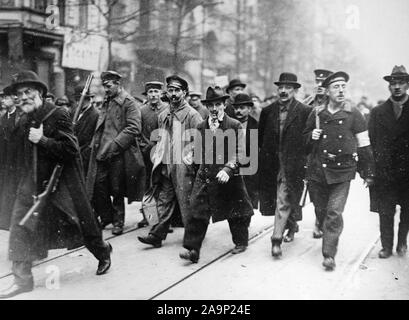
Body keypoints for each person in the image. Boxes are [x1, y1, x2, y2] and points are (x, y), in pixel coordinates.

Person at [0, 70, 112, 299]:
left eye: (28, 91)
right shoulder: (22, 119)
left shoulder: (57, 114)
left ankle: (103, 252)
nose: (23, 97)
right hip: (30, 184)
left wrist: (42, 140)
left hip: (60, 184)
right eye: (19, 94)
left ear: (40, 92)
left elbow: (71, 150)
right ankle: (22, 280)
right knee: (19, 227)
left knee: (81, 225)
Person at [304, 71, 375, 270]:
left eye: (343, 86)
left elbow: (364, 144)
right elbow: (303, 143)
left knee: (334, 212)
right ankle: (321, 224)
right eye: (336, 86)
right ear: (326, 91)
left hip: (343, 172)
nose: (341, 90)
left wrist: (368, 172)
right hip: (317, 171)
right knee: (321, 210)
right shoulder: (316, 113)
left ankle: (329, 254)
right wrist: (312, 136)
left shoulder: (354, 114)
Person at [179, 87, 254, 263]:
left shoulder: (234, 125)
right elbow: (198, 149)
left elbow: (240, 152)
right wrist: (191, 155)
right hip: (205, 175)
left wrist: (228, 168)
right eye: (211, 105)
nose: (214, 109)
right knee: (197, 210)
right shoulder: (201, 126)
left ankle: (241, 241)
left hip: (229, 176)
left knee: (236, 211)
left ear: (224, 104)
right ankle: (192, 249)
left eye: (218, 104)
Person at [138, 75, 202, 248]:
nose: (173, 94)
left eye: (177, 91)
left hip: (184, 167)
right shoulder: (164, 114)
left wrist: (191, 163)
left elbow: (201, 142)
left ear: (185, 93)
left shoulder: (193, 115)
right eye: (171, 90)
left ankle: (192, 238)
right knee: (163, 200)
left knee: (186, 202)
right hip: (166, 164)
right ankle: (156, 235)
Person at [259, 72, 311, 258]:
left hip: (293, 164)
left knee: (283, 198)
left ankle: (276, 240)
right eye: (281, 87)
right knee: (279, 198)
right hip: (272, 163)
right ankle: (291, 224)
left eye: (288, 87)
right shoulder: (267, 111)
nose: (283, 91)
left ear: (295, 90)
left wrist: (305, 165)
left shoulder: (304, 111)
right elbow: (261, 138)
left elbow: (307, 142)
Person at [86, 70, 145, 235]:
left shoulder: (129, 102)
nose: (106, 89)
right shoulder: (107, 100)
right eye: (104, 86)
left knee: (117, 187)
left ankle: (118, 221)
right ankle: (107, 216)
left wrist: (115, 145)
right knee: (98, 184)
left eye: (108, 85)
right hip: (101, 149)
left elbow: (134, 127)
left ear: (118, 84)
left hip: (120, 151)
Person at [368, 65, 409, 259]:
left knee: (408, 211)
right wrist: (371, 170)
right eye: (394, 83)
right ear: (389, 87)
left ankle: (402, 242)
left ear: (407, 85)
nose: (397, 87)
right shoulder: (377, 112)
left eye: (401, 83)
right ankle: (386, 246)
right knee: (385, 211)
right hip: (385, 171)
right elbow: (371, 142)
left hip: (408, 172)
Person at [304, 69, 334, 239]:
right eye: (317, 81)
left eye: (323, 82)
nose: (320, 85)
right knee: (314, 193)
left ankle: (321, 221)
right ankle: (319, 217)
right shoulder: (307, 104)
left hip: (329, 154)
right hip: (310, 154)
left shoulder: (336, 104)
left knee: (329, 191)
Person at [138, 81, 168, 228]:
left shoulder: (168, 109)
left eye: (156, 91)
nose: (153, 95)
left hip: (164, 153)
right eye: (150, 92)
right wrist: (144, 146)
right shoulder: (142, 111)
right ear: (147, 94)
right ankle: (149, 218)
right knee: (148, 186)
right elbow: (137, 132)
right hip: (146, 153)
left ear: (161, 94)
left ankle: (163, 220)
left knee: (163, 186)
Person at [231, 93, 259, 209]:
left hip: (249, 168)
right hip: (232, 165)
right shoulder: (229, 124)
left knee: (248, 196)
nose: (238, 111)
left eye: (242, 108)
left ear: (249, 109)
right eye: (236, 108)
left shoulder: (256, 126)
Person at [0, 86, 22, 230]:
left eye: (5, 97)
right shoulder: (3, 118)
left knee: (12, 191)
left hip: (16, 162)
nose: (2, 100)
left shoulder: (19, 118)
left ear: (14, 99)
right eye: (2, 98)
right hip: (4, 162)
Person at [72, 84, 99, 175]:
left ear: (88, 99)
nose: (78, 102)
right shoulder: (74, 112)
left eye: (81, 99)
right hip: (73, 155)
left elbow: (92, 140)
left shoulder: (95, 115)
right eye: (77, 99)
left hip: (84, 158)